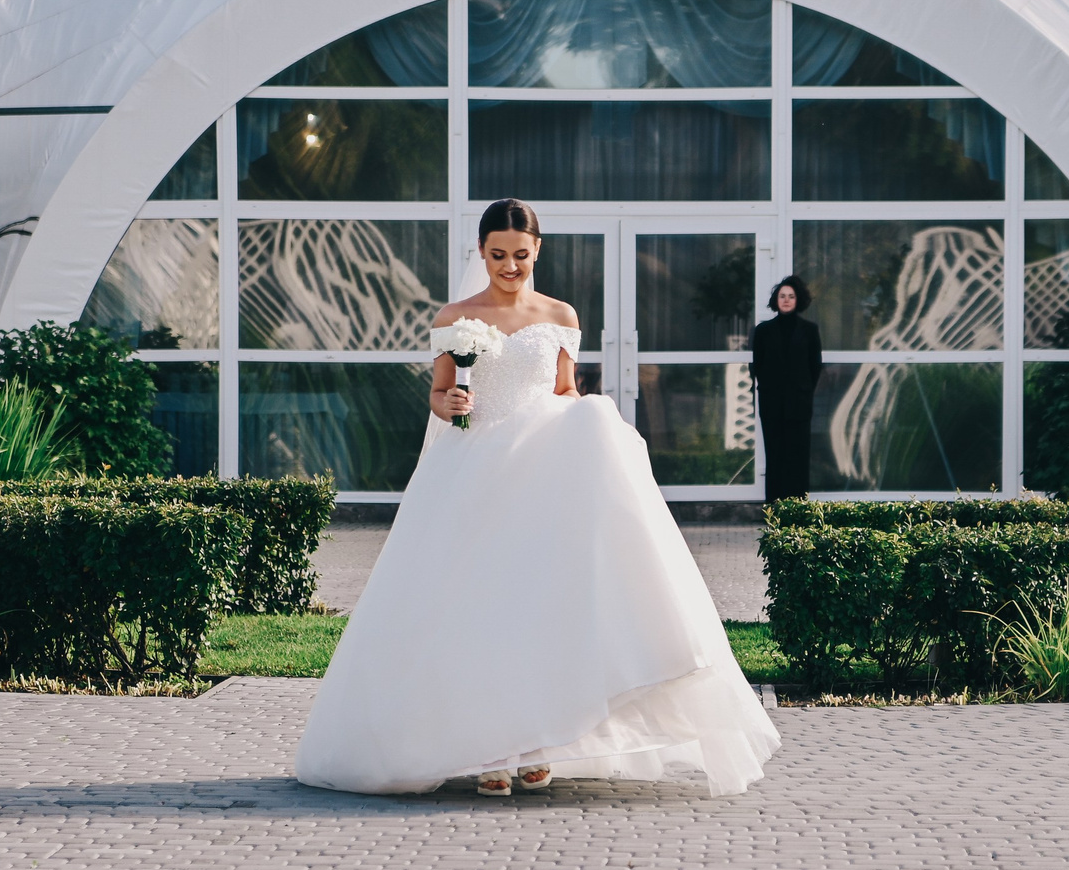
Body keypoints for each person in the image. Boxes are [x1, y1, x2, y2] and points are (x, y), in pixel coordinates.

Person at [291, 198, 782, 799]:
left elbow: (565, 390)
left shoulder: (560, 315)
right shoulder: (457, 316)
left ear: (537, 251)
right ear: (481, 252)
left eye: (520, 255)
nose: (509, 266)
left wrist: (590, 433)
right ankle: (488, 749)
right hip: (473, 471)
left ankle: (537, 743)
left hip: (542, 474)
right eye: (497, 255)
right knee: (476, 604)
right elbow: (440, 392)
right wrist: (449, 404)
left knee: (541, 604)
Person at [749, 275, 822, 502]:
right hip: (771, 404)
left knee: (798, 456)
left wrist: (804, 390)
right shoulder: (763, 331)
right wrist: (768, 389)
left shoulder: (810, 330)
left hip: (799, 404)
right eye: (782, 296)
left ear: (798, 299)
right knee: (775, 455)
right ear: (776, 300)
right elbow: (756, 365)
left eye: (791, 296)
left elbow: (815, 366)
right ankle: (773, 508)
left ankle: (798, 508)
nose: (787, 300)